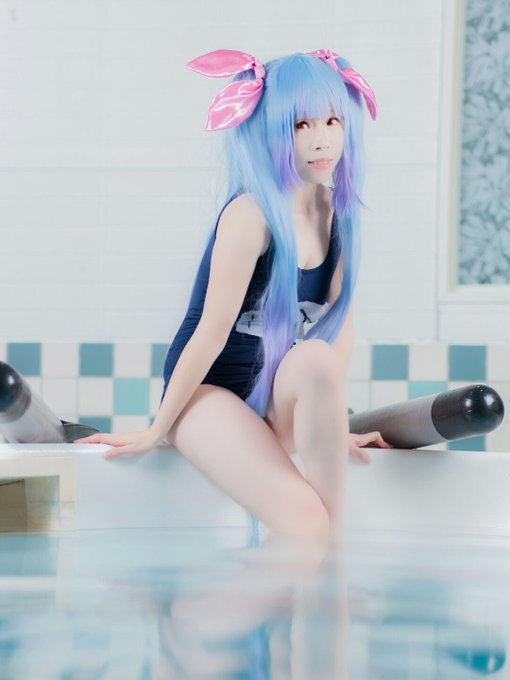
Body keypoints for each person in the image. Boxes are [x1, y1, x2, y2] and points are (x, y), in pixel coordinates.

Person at [75, 48, 392, 545]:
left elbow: (340, 331)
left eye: (332, 121)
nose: (322, 138)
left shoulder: (337, 214)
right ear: (270, 131)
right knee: (308, 524)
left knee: (315, 356)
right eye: (301, 124)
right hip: (207, 395)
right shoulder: (251, 215)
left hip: (272, 397)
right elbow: (210, 332)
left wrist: (328, 423)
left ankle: (326, 575)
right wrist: (157, 428)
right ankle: (314, 575)